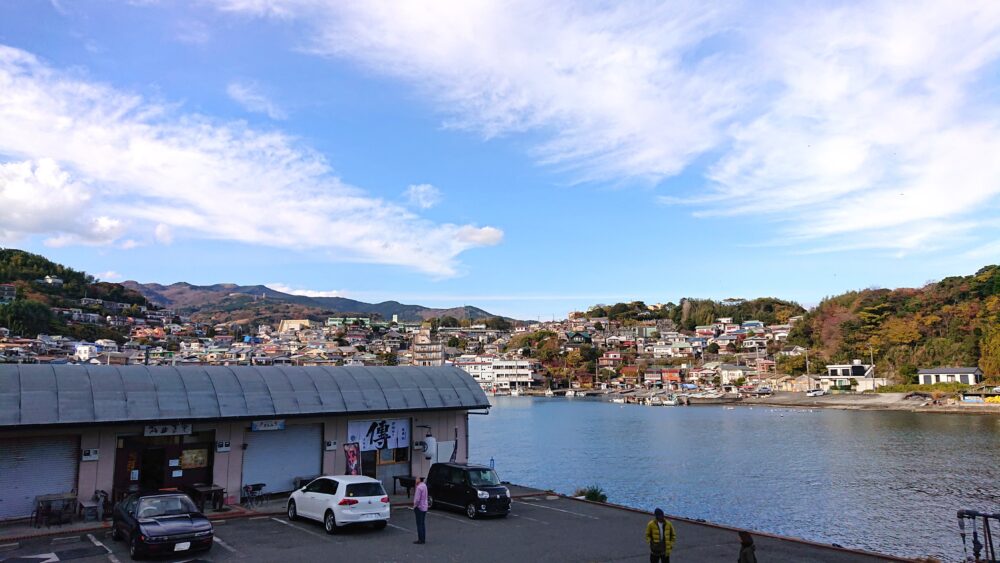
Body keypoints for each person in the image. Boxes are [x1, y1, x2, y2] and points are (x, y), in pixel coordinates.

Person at [413, 476, 428, 544]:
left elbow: (417, 499)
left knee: (419, 524)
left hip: (419, 507)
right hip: (424, 506)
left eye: (416, 479)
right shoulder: (424, 486)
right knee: (422, 523)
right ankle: (423, 538)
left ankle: (420, 539)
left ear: (419, 480)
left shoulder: (419, 488)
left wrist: (415, 506)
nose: (415, 480)